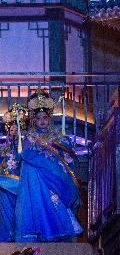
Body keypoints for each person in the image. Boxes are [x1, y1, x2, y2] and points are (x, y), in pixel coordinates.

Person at [15, 90, 82, 242]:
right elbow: (27, 154)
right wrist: (44, 159)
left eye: (45, 118)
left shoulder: (58, 136)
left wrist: (52, 160)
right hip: (39, 178)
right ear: (34, 120)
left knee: (57, 203)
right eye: (38, 118)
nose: (42, 121)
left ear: (49, 118)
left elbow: (66, 153)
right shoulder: (30, 137)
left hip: (55, 175)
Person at [0, 103, 27, 242]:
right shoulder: (3, 148)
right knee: (6, 218)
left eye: (17, 127)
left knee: (21, 219)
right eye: (11, 127)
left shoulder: (27, 147)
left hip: (21, 188)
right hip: (5, 190)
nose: (13, 130)